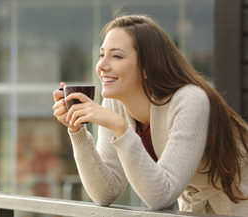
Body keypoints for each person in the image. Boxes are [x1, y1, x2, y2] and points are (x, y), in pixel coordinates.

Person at [52, 14, 248, 216]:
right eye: (102, 55)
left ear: (147, 67)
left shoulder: (190, 100)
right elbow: (105, 192)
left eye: (116, 56)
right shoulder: (114, 102)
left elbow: (161, 196)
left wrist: (120, 128)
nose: (101, 66)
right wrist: (77, 130)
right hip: (193, 209)